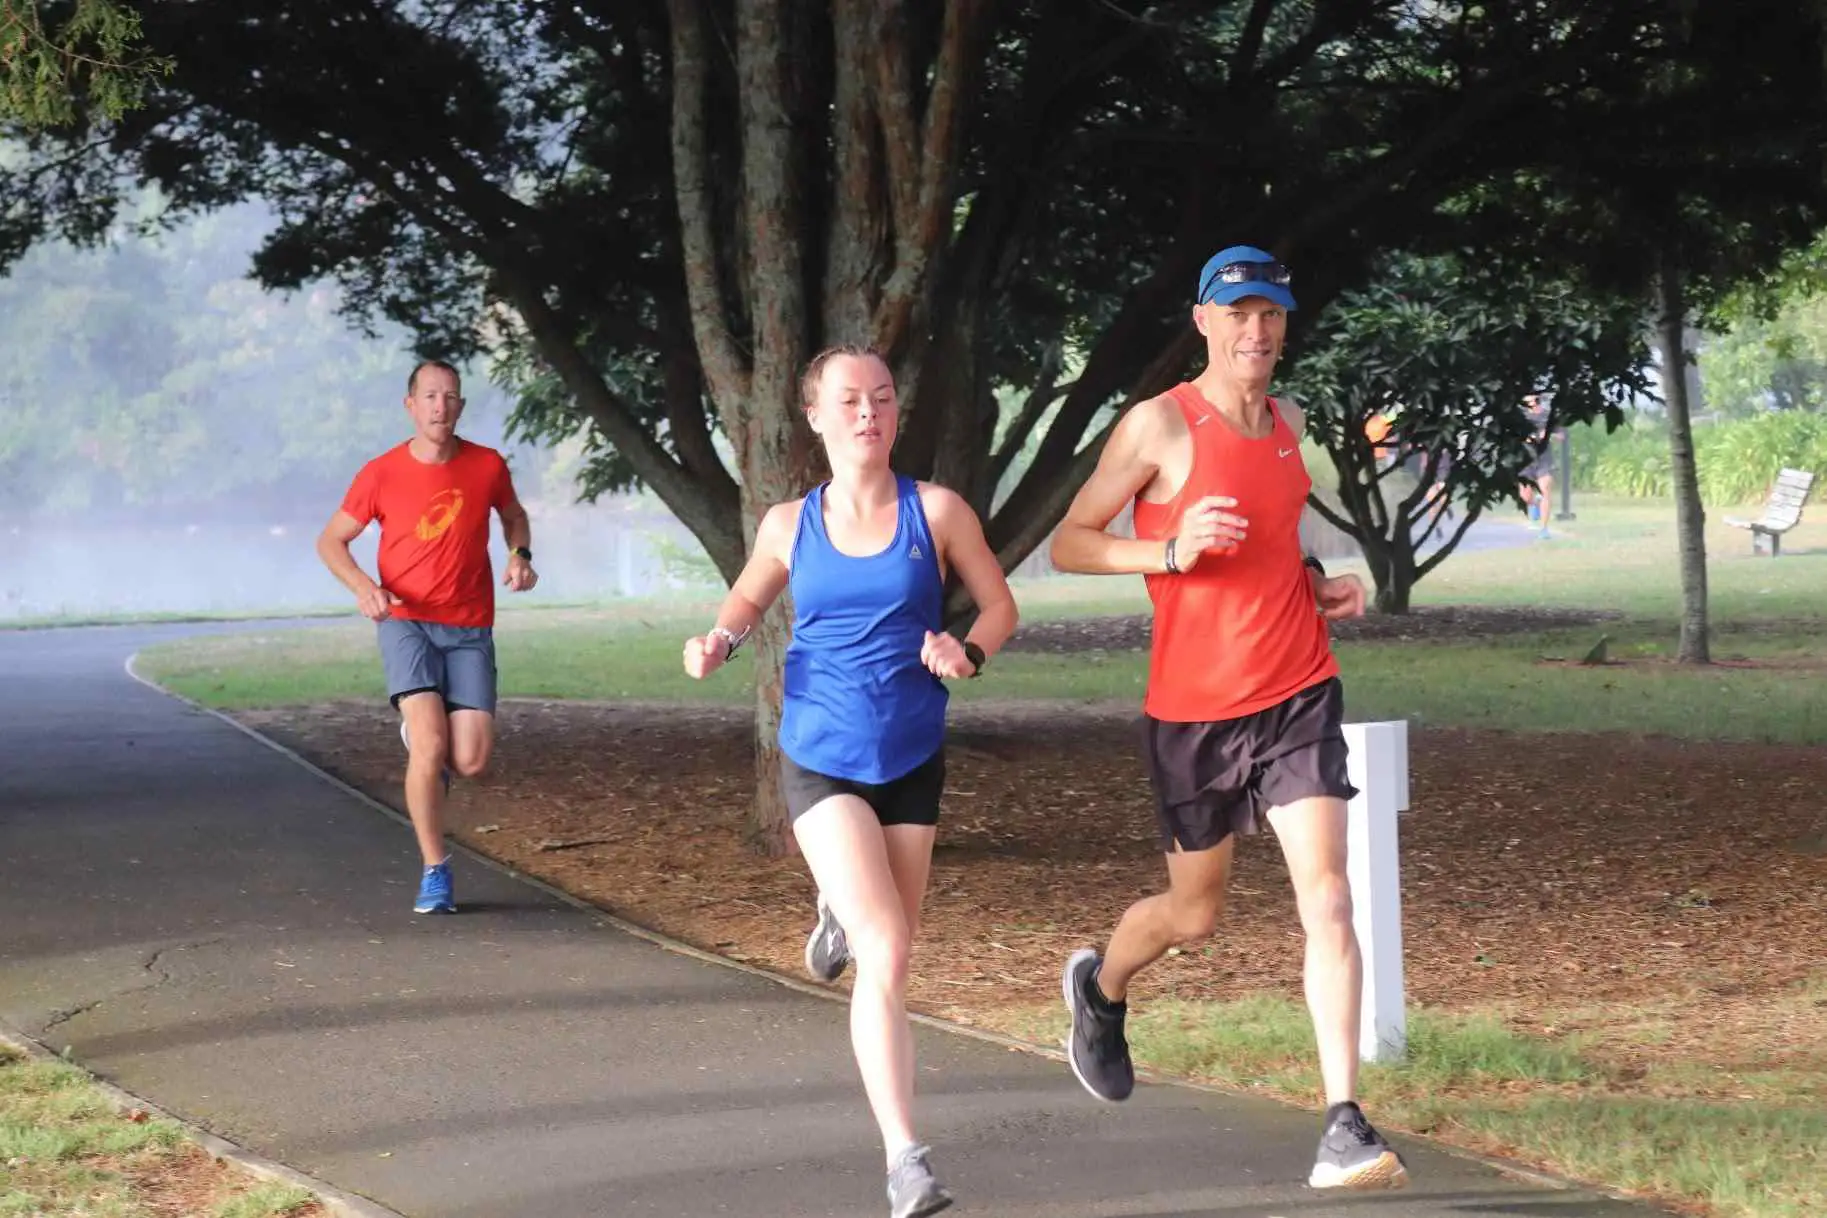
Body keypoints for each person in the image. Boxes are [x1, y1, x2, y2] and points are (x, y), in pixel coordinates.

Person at [1047, 245, 1408, 1192]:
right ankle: (1101, 985)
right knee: (1193, 914)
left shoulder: (1287, 423)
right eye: (1237, 312)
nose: (1256, 330)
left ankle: (1342, 1123)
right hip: (1193, 714)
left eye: (1272, 313)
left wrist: (1315, 583)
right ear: (1203, 321)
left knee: (1326, 894)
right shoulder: (1159, 425)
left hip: (1296, 692)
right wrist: (1167, 549)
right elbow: (1071, 544)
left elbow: (1270, 543)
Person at [682, 344, 1016, 1218]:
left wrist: (965, 649)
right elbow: (748, 599)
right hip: (820, 753)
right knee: (890, 948)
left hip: (910, 754)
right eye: (850, 401)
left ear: (895, 413)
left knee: (889, 958)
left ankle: (837, 905)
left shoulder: (935, 512)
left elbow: (1000, 604)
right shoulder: (790, 523)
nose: (868, 412)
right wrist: (716, 639)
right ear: (818, 418)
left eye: (882, 398)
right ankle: (905, 1158)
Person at [315, 359, 537, 915]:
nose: (441, 406)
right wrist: (365, 587)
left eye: (451, 396)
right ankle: (435, 870)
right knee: (432, 742)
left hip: (468, 626)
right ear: (411, 405)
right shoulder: (381, 473)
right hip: (404, 619)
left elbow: (513, 515)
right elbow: (331, 542)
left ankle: (427, 745)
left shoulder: (486, 465)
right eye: (431, 396)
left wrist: (520, 555)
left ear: (460, 406)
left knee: (470, 760)